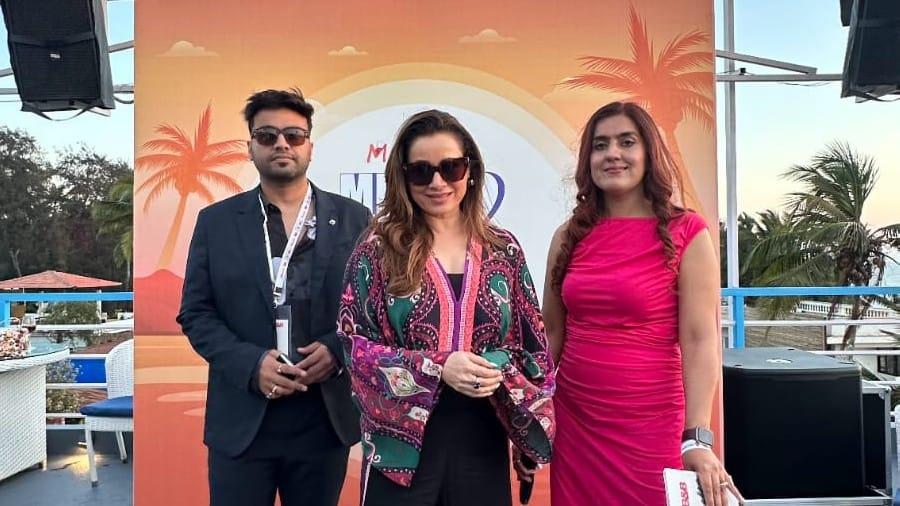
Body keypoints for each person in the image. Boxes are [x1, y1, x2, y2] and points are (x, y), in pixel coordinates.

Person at [336, 110, 555, 506]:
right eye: (421, 171)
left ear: (470, 171)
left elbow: (532, 348)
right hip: (401, 448)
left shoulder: (503, 249)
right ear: (403, 178)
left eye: (450, 167)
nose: (437, 182)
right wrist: (438, 367)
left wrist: (513, 404)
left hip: (482, 437)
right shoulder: (377, 250)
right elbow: (354, 347)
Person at [177, 88, 371, 506]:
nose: (281, 144)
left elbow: (371, 310)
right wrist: (251, 364)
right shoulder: (216, 223)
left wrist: (336, 350)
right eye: (267, 136)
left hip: (323, 421)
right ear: (251, 148)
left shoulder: (355, 219)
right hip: (242, 420)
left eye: (293, 135)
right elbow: (196, 313)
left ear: (309, 147)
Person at [544, 101, 743, 505]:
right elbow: (551, 333)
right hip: (577, 426)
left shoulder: (688, 232)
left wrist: (697, 438)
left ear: (649, 153)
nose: (612, 153)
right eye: (600, 145)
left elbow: (701, 340)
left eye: (626, 142)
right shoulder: (568, 236)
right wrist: (529, 414)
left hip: (652, 426)